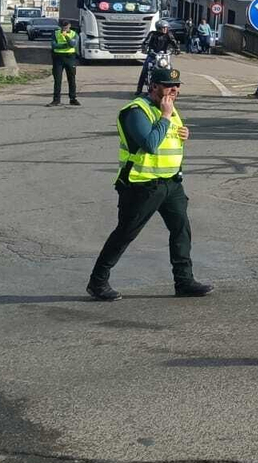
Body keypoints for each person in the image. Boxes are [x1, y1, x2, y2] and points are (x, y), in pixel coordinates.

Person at [87, 66, 212, 301]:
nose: (173, 90)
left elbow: (167, 140)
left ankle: (184, 281)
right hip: (141, 184)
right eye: (168, 85)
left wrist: (181, 133)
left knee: (181, 230)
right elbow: (150, 144)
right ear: (153, 86)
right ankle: (97, 282)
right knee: (125, 233)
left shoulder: (170, 108)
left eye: (176, 86)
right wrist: (166, 117)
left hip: (171, 183)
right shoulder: (136, 111)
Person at [135, 21, 179, 95]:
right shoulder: (152, 34)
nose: (165, 29)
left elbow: (173, 42)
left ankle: (173, 88)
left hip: (164, 56)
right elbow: (146, 42)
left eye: (166, 28)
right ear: (158, 28)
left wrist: (177, 49)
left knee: (171, 70)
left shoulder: (168, 34)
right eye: (163, 28)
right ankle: (139, 89)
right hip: (153, 55)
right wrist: (144, 48)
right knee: (145, 69)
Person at [45, 18, 81, 106]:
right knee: (57, 79)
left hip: (70, 57)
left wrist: (66, 36)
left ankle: (73, 98)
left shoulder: (74, 34)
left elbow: (73, 44)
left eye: (66, 27)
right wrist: (65, 45)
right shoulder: (56, 33)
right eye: (63, 27)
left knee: (71, 79)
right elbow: (54, 45)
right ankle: (56, 100)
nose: (65, 29)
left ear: (69, 26)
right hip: (58, 58)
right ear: (60, 26)